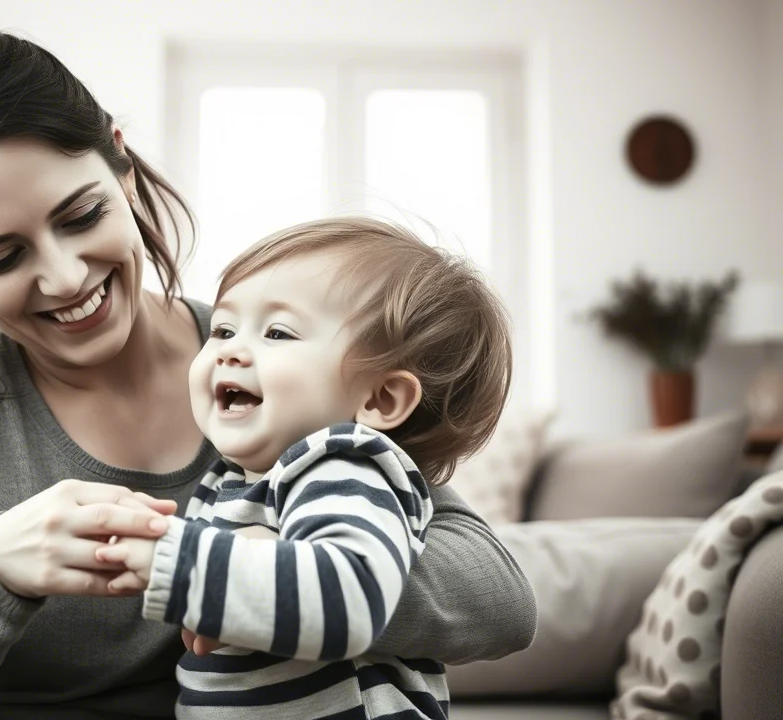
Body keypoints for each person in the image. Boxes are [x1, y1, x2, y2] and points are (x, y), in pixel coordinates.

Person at [0, 10, 535, 720]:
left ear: (121, 161)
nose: (63, 277)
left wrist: (262, 574)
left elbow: (498, 597)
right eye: (3, 257)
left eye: (81, 216)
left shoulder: (270, 367)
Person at [95, 217, 512, 718]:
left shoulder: (342, 464)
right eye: (223, 329)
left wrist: (179, 560)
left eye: (277, 332)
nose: (229, 351)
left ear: (380, 398)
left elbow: (352, 599)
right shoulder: (229, 480)